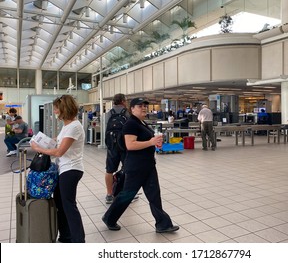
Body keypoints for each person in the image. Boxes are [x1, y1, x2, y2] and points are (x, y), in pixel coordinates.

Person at [102, 97, 179, 233]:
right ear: (132, 109)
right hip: (136, 167)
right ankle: (109, 218)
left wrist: (155, 142)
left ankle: (163, 224)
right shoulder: (131, 124)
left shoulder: (141, 123)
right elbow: (130, 145)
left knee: (154, 195)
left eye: (145, 105)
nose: (143, 108)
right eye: (139, 106)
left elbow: (147, 141)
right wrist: (151, 142)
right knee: (127, 195)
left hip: (148, 166)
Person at [30, 95, 85, 243]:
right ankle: (66, 236)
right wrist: (46, 141)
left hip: (71, 170)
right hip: (64, 169)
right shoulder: (67, 126)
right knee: (60, 203)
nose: (54, 111)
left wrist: (38, 148)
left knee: (68, 205)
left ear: (63, 109)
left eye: (56, 108)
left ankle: (79, 240)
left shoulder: (74, 126)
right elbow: (59, 143)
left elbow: (59, 151)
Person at [104, 93, 130, 204]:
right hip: (125, 145)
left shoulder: (109, 113)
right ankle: (127, 194)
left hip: (112, 146)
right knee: (128, 169)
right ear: (123, 101)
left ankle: (109, 194)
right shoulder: (127, 113)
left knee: (109, 170)